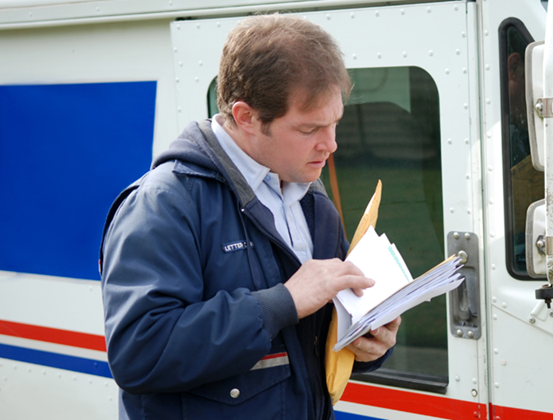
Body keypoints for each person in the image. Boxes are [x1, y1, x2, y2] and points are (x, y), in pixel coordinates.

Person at [99, 14, 399, 420]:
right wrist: (284, 301)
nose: (331, 144)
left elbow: (310, 343)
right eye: (309, 129)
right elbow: (139, 353)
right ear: (245, 117)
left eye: (335, 123)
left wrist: (368, 342)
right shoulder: (164, 203)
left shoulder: (311, 198)